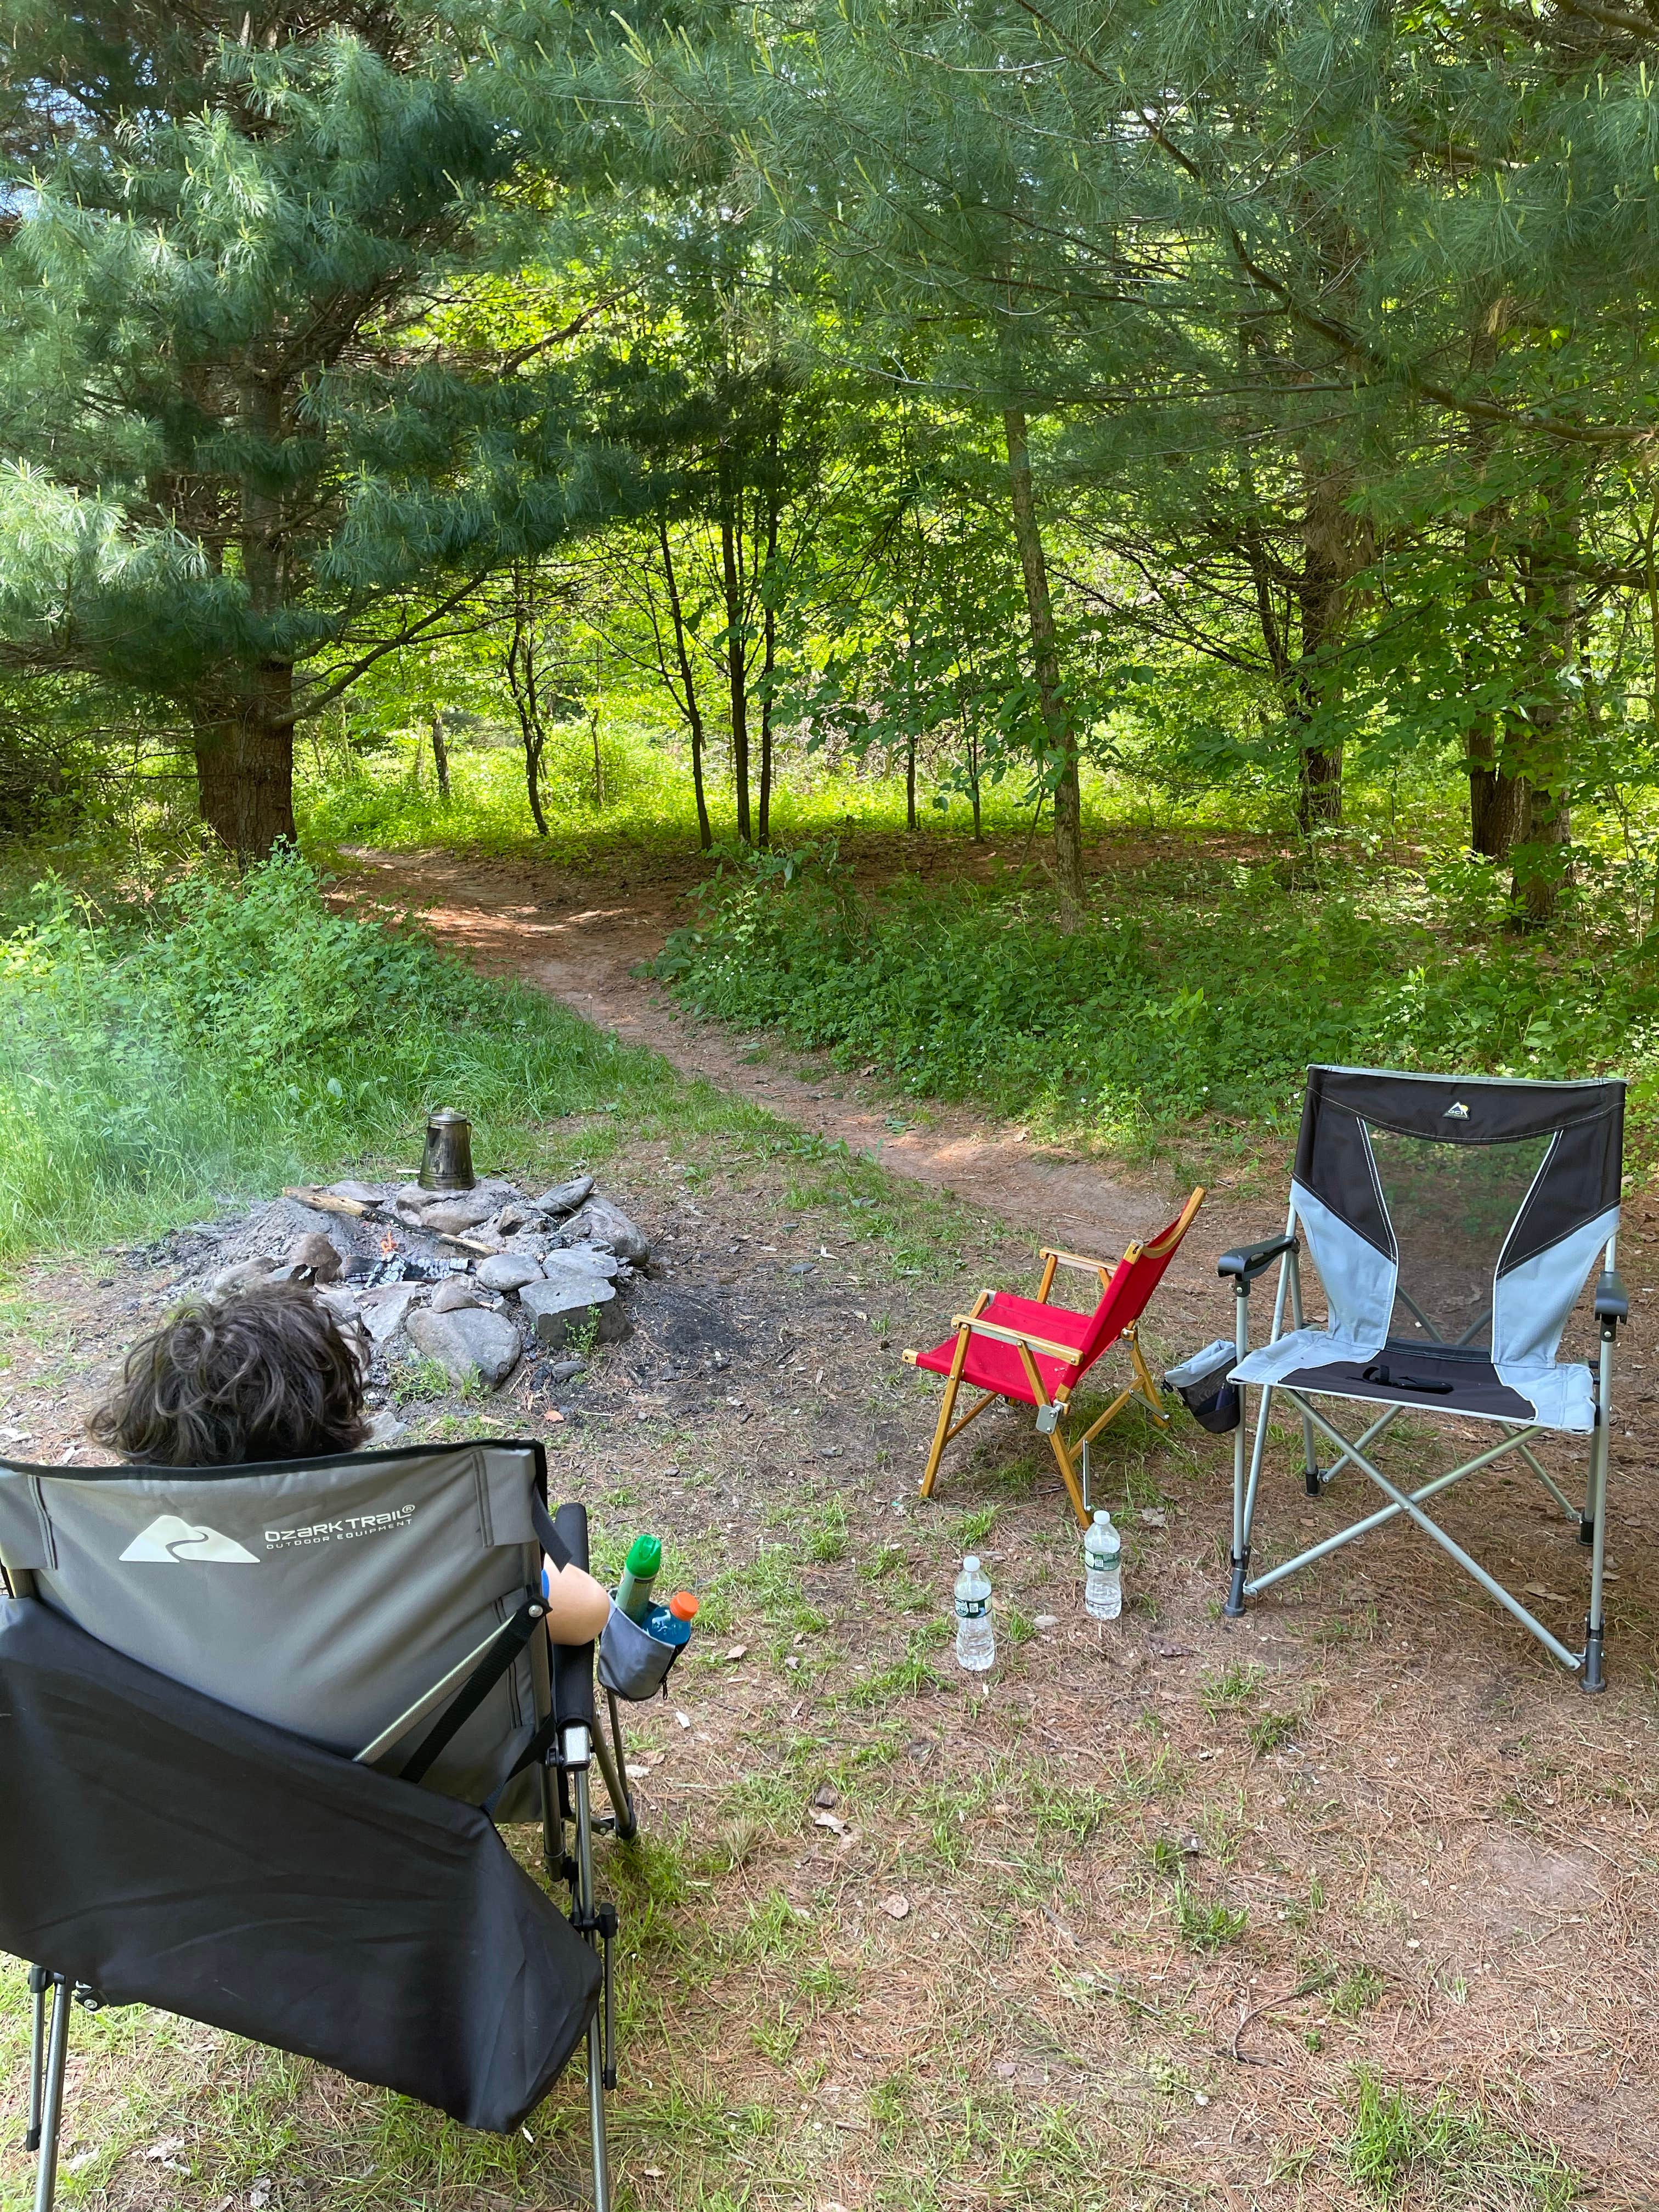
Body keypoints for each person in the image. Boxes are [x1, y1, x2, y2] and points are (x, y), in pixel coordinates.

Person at [88, 1280, 610, 1641]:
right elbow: (588, 1612)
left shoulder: (115, 1574)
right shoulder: (418, 1546)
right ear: (336, 1419)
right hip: (416, 1770)